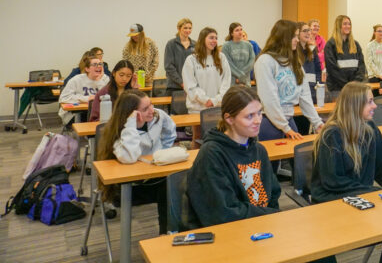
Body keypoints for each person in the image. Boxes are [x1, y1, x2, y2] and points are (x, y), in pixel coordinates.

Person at [311, 82, 382, 263]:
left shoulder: (370, 129)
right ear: (355, 105)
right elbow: (333, 182)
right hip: (331, 203)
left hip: (360, 196)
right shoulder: (331, 135)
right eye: (370, 102)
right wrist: (374, 194)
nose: (375, 106)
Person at [185, 86, 281, 229]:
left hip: (260, 225)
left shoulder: (259, 150)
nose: (258, 120)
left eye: (259, 113)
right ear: (229, 119)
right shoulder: (212, 154)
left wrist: (271, 219)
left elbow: (273, 194)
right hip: (229, 231)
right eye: (250, 116)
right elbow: (224, 212)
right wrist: (268, 215)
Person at [97, 90, 176, 234]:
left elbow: (170, 131)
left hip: (155, 179)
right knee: (170, 187)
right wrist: (131, 126)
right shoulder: (120, 132)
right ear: (131, 113)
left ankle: (167, 233)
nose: (152, 110)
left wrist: (162, 151)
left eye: (151, 104)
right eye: (145, 109)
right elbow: (129, 157)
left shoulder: (158, 116)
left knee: (175, 184)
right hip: (129, 187)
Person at [255, 20, 324, 141]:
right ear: (283, 38)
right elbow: (269, 99)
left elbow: (305, 96)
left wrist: (318, 123)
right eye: (294, 36)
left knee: (296, 156)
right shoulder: (265, 61)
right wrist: (285, 128)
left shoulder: (294, 62)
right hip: (270, 121)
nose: (297, 40)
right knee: (274, 159)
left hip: (288, 120)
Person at [183, 27, 231, 118]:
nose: (214, 40)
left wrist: (216, 100)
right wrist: (205, 100)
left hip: (218, 107)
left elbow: (226, 81)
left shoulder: (221, 57)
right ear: (202, 39)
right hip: (197, 109)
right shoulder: (191, 60)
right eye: (211, 37)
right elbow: (190, 85)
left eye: (216, 38)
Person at [59, 54, 109, 126]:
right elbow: (63, 98)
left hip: (99, 112)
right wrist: (87, 98)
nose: (98, 66)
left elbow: (107, 98)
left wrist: (99, 82)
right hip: (76, 114)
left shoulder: (105, 79)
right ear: (87, 69)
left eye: (100, 64)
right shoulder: (76, 79)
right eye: (95, 64)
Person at [324, 15, 366, 101]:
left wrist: (355, 83)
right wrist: (347, 85)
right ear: (339, 26)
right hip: (337, 89)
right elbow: (332, 69)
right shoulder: (330, 45)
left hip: (354, 89)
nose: (348, 26)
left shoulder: (355, 44)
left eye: (349, 24)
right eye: (345, 24)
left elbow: (361, 66)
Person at [164, 18, 195, 96]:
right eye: (185, 28)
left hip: (191, 86)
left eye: (190, 28)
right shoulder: (171, 44)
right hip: (174, 86)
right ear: (179, 28)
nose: (188, 30)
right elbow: (169, 66)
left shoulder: (195, 44)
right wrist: (181, 82)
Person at [222, 22, 256, 87]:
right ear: (232, 33)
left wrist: (241, 76)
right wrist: (239, 76)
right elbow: (228, 64)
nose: (240, 32)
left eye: (241, 29)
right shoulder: (226, 46)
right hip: (232, 83)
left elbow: (251, 61)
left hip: (245, 82)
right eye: (237, 30)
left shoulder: (248, 45)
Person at [298, 21, 323, 104]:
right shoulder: (293, 51)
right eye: (304, 31)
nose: (308, 33)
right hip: (299, 93)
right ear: (297, 33)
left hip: (312, 91)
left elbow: (318, 70)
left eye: (308, 30)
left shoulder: (312, 49)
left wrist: (319, 86)